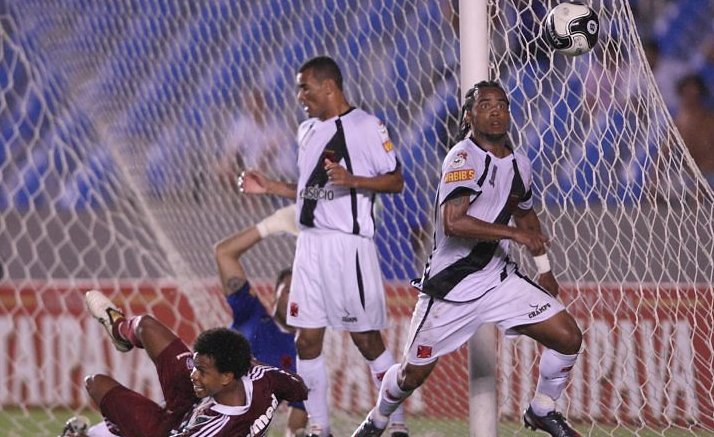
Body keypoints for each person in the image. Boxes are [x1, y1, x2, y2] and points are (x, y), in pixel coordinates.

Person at [352, 81, 583, 437]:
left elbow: (525, 215)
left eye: (501, 104)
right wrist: (514, 235)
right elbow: (454, 222)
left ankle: (542, 408)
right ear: (469, 116)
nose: (495, 111)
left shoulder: (520, 165)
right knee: (411, 375)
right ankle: (379, 418)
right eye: (485, 105)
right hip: (451, 289)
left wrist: (544, 269)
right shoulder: (462, 157)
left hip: (498, 279)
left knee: (568, 337)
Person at [238, 55, 408, 437]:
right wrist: (270, 187)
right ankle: (320, 428)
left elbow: (396, 181)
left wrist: (354, 180)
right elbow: (310, 191)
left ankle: (397, 423)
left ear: (328, 86)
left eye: (305, 87)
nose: (300, 96)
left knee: (366, 340)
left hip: (347, 247)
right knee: (307, 341)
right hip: (310, 246)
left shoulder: (366, 126)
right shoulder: (307, 130)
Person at [83, 289, 308, 437]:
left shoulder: (215, 429)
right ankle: (118, 329)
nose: (193, 373)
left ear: (226, 376)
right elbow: (300, 388)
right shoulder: (263, 376)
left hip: (167, 431)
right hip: (193, 400)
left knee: (96, 384)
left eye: (201, 370)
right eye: (196, 365)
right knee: (146, 326)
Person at [213, 203, 308, 436]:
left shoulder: (305, 354)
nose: (294, 298)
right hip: (201, 405)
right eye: (288, 290)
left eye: (301, 292)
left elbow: (297, 418)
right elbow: (224, 253)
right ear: (275, 294)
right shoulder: (251, 313)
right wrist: (272, 225)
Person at [673, 74, 714, 189]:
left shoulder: (709, 120)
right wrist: (654, 178)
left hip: (709, 173)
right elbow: (664, 151)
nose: (690, 95)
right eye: (687, 92)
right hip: (689, 176)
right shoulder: (678, 122)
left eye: (693, 92)